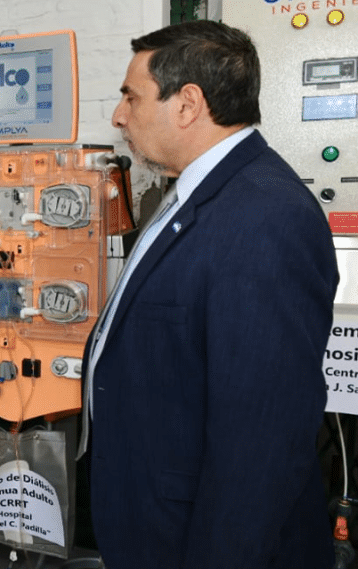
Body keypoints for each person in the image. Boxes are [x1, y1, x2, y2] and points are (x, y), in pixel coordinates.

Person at [79, 20, 337, 569]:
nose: (119, 116)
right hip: (156, 519)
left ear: (188, 103)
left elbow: (260, 447)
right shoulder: (197, 194)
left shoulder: (266, 219)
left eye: (132, 96)